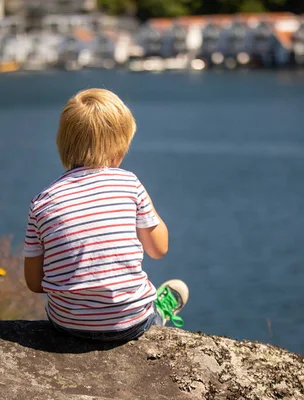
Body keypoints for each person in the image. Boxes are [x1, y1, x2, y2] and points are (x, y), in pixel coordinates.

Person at [22, 88, 188, 342]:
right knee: (148, 312)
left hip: (67, 324)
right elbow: (159, 248)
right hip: (129, 324)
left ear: (62, 144)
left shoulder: (42, 202)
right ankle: (159, 312)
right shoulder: (129, 184)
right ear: (119, 150)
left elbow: (34, 283)